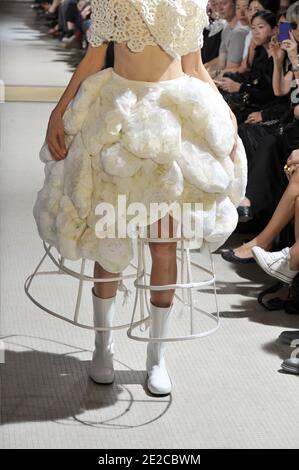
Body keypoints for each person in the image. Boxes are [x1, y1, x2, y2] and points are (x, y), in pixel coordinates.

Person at [32, 0, 247, 396]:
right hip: (119, 115)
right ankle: (103, 345)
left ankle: (157, 354)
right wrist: (58, 112)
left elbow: (194, 66)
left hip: (173, 117)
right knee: (107, 241)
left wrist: (223, 110)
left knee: (164, 245)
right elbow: (94, 58)